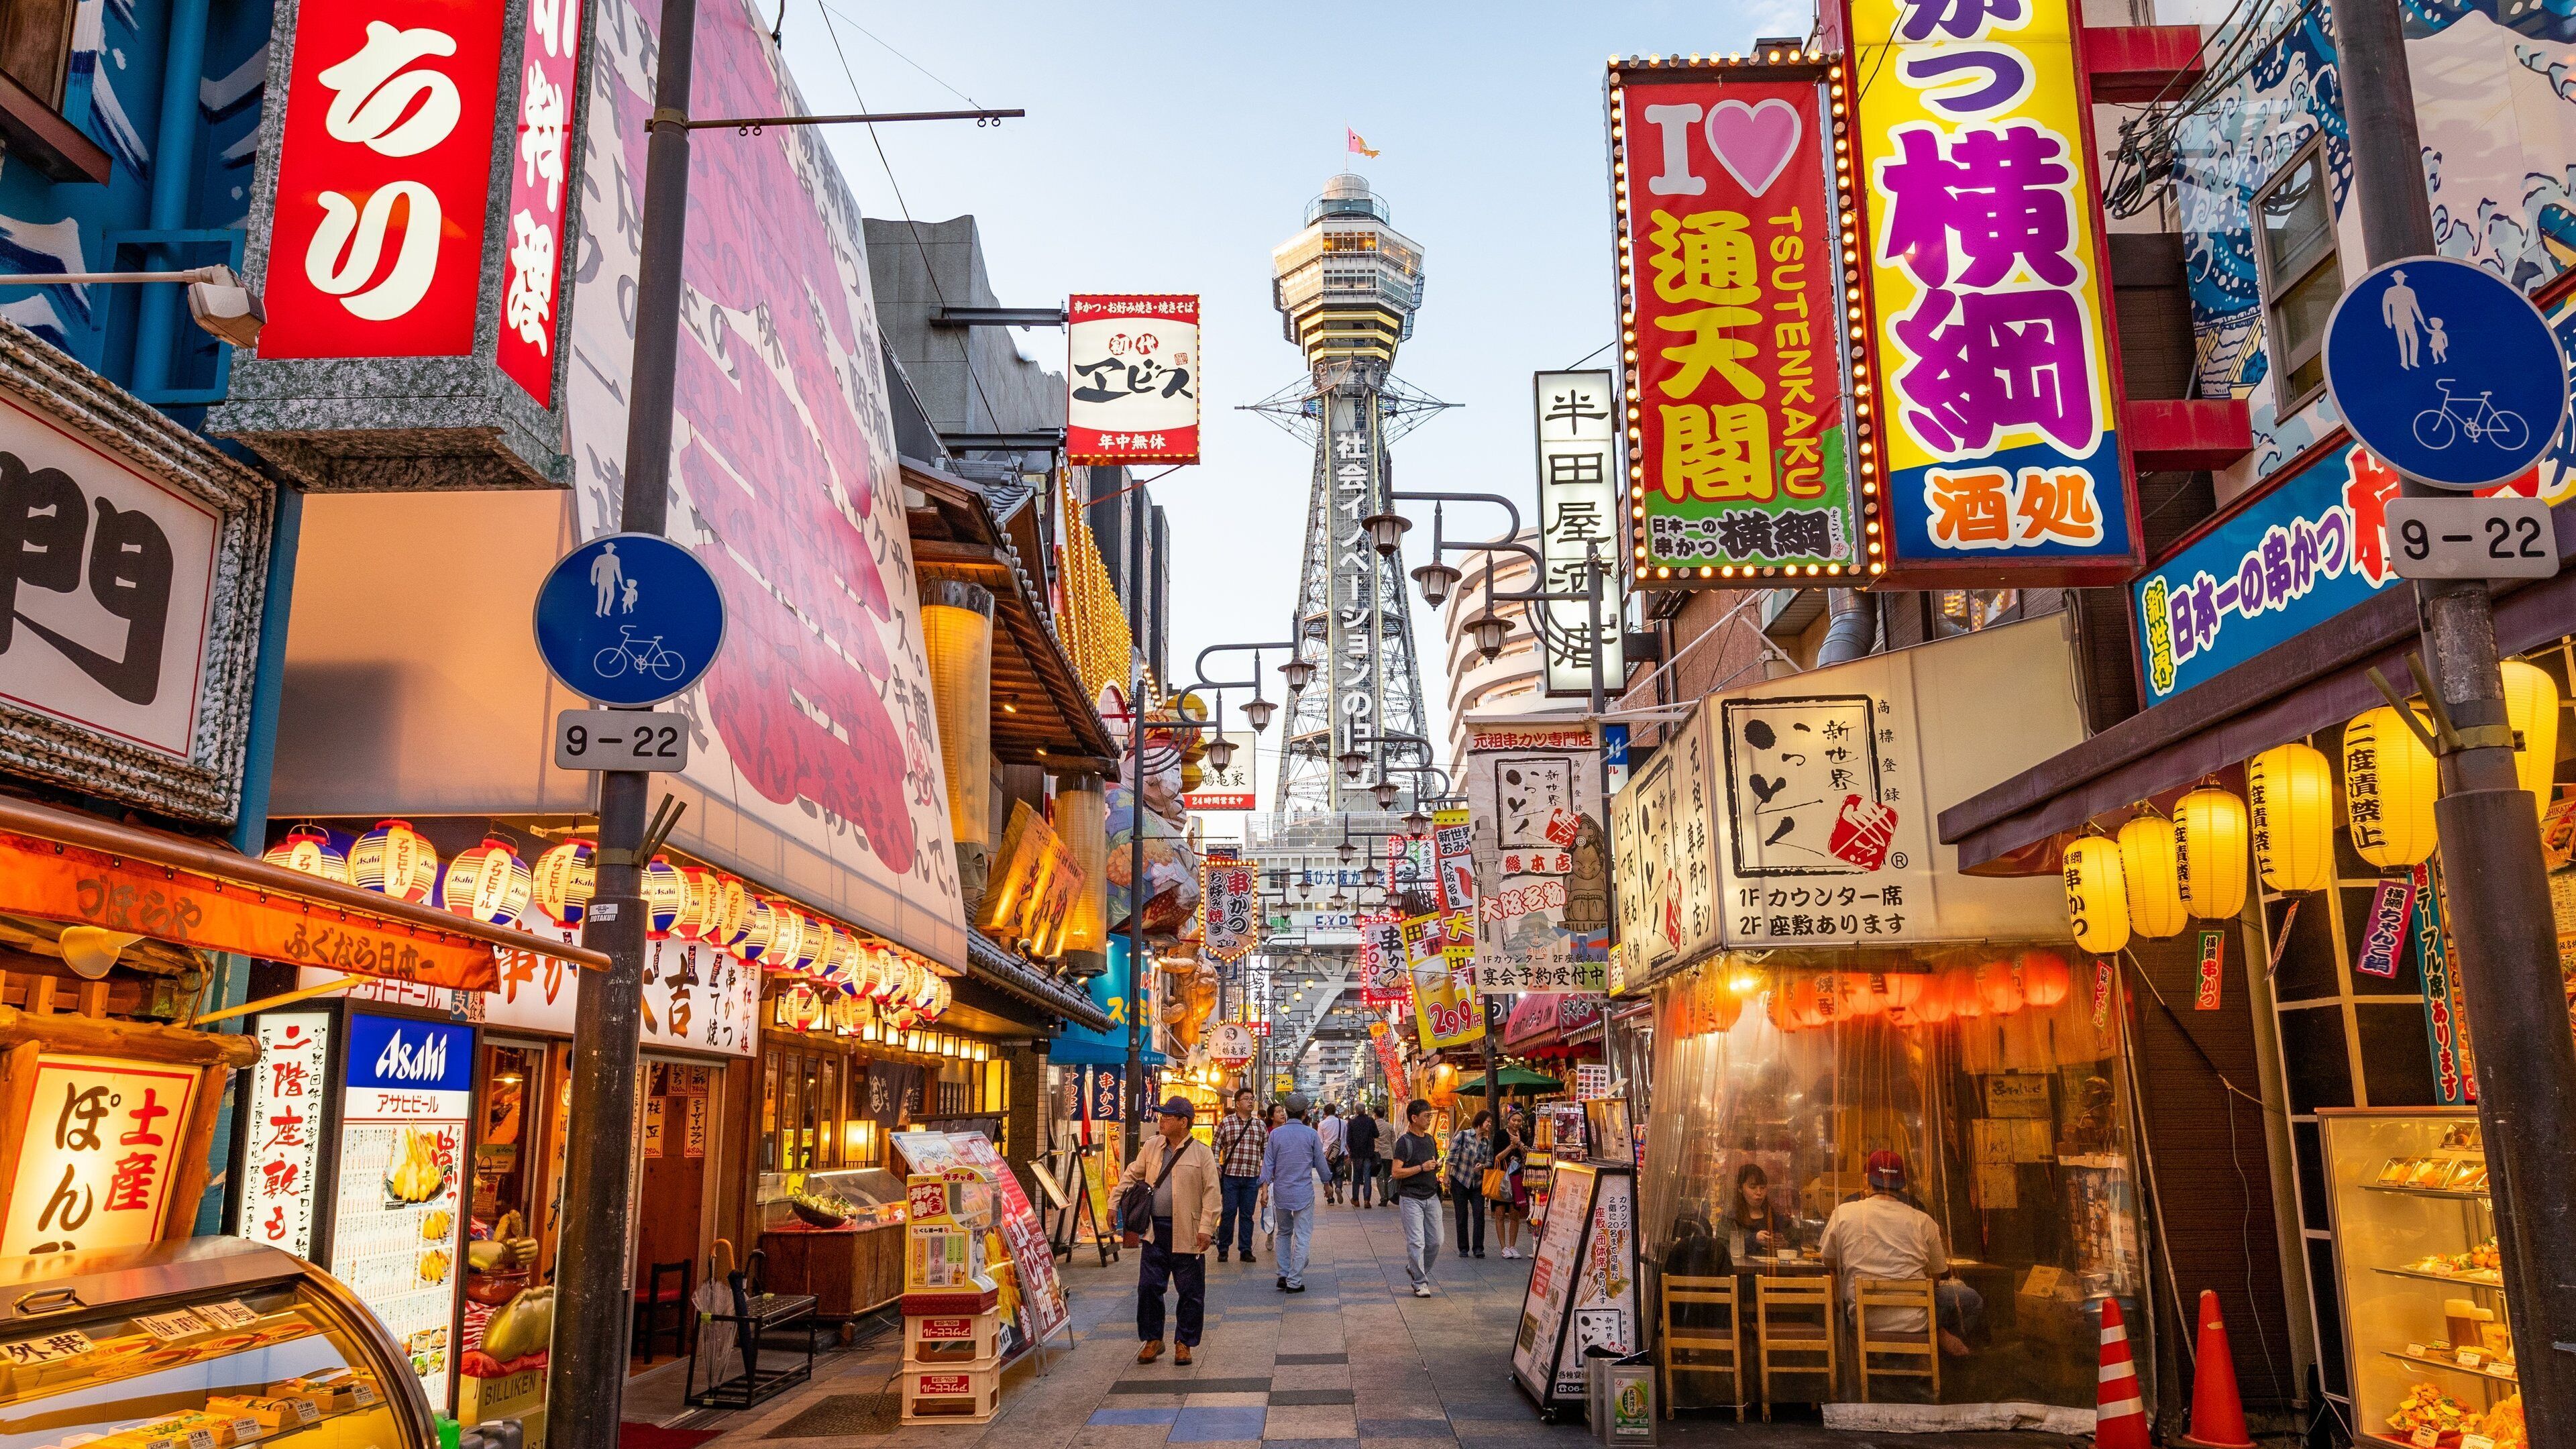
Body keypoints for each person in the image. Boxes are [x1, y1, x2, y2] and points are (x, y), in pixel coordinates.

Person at [1817, 1150, 1981, 1357]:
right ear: (1903, 1184)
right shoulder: (1923, 1221)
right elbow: (1936, 1278)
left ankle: (1899, 1353)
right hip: (1914, 1320)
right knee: (1971, 1298)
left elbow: (1829, 1259)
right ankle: (1935, 1350)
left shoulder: (1844, 1213)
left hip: (1864, 1318)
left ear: (1868, 1181)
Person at [1119, 1095, 1221, 1365]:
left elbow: (1212, 1193)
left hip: (1188, 1231)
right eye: (1161, 1116)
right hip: (1155, 1231)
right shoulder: (1152, 1146)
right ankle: (1153, 1339)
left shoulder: (1202, 1152)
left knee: (1190, 1291)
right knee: (1149, 1287)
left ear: (1183, 1122)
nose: (1161, 1120)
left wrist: (1207, 1229)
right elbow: (1132, 1174)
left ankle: (1184, 1343)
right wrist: (1112, 1203)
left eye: (1167, 1116)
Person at [1260, 1093, 1333, 1293]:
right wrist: (1327, 1183)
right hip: (1303, 1193)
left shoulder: (1276, 1134)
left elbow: (1268, 1164)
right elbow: (1321, 1163)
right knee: (1302, 1235)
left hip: (1281, 1192)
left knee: (1283, 1233)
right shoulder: (1310, 1135)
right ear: (1304, 1113)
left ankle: (1283, 1274)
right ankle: (1294, 1280)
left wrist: (1265, 1189)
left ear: (1287, 1112)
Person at [1390, 1098, 1445, 1296]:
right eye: (1426, 1116)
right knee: (1417, 1242)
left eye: (1431, 1115)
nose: (1430, 1119)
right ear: (1414, 1118)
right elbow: (1396, 1172)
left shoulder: (1430, 1139)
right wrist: (1422, 1167)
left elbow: (1431, 1163)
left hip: (1431, 1196)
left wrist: (1435, 1167)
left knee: (1436, 1241)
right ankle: (1420, 1282)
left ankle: (1415, 1269)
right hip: (1411, 1197)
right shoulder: (1404, 1142)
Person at [1212, 1087, 1267, 1264]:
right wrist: (1216, 1166)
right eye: (1246, 1099)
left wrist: (1265, 1171)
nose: (1250, 1101)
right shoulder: (1226, 1123)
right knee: (1228, 1213)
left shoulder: (1259, 1125)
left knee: (1247, 1215)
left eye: (1252, 1098)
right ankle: (1223, 1248)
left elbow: (1266, 1150)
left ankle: (1246, 1249)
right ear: (1237, 1104)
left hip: (1251, 1177)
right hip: (1231, 1175)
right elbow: (1215, 1146)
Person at [1447, 1108, 1493, 1259]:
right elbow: (1452, 1157)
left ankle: (1479, 1248)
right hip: (1460, 1180)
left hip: (1477, 1182)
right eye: (1488, 1122)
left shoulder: (1487, 1143)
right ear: (1480, 1121)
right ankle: (1463, 1248)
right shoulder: (1463, 1135)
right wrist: (1447, 1176)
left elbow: (1489, 1161)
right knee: (1462, 1214)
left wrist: (1483, 1166)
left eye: (1491, 1123)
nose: (1490, 1125)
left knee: (1479, 1213)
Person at [1721, 1162, 1793, 1259]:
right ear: (1740, 1188)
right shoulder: (1730, 1219)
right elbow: (1721, 1250)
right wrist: (1753, 1240)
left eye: (1763, 1188)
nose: (1759, 1192)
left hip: (1772, 1273)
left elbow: (1797, 1246)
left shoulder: (1776, 1219)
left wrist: (1785, 1245)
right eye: (1753, 1187)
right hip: (1741, 1273)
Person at [1493, 1108, 1532, 1258]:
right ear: (1508, 1120)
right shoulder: (1500, 1135)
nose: (1516, 1123)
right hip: (1502, 1177)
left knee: (1515, 1213)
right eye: (1514, 1120)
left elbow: (1529, 1154)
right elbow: (1497, 1157)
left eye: (1519, 1121)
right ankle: (1503, 1247)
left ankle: (1512, 1246)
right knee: (1500, 1213)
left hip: (1517, 1178)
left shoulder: (1524, 1136)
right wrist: (1511, 1147)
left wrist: (1519, 1146)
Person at [1344, 1100, 1381, 1208]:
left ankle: (1355, 1199)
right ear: (1364, 1110)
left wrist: (1351, 1150)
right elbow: (1376, 1134)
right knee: (1367, 1176)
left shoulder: (1352, 1122)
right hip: (1368, 1153)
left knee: (1356, 1176)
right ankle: (1367, 1200)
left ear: (1356, 1111)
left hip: (1356, 1154)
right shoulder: (1370, 1121)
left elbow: (1349, 1139)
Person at [1318, 1104, 1346, 1205]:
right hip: (1339, 1152)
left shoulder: (1322, 1124)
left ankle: (1330, 1198)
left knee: (1328, 1175)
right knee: (1339, 1174)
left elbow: (1320, 1141)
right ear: (1335, 1112)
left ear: (1325, 1113)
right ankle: (1338, 1188)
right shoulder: (1342, 1123)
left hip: (1327, 1153)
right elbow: (1344, 1139)